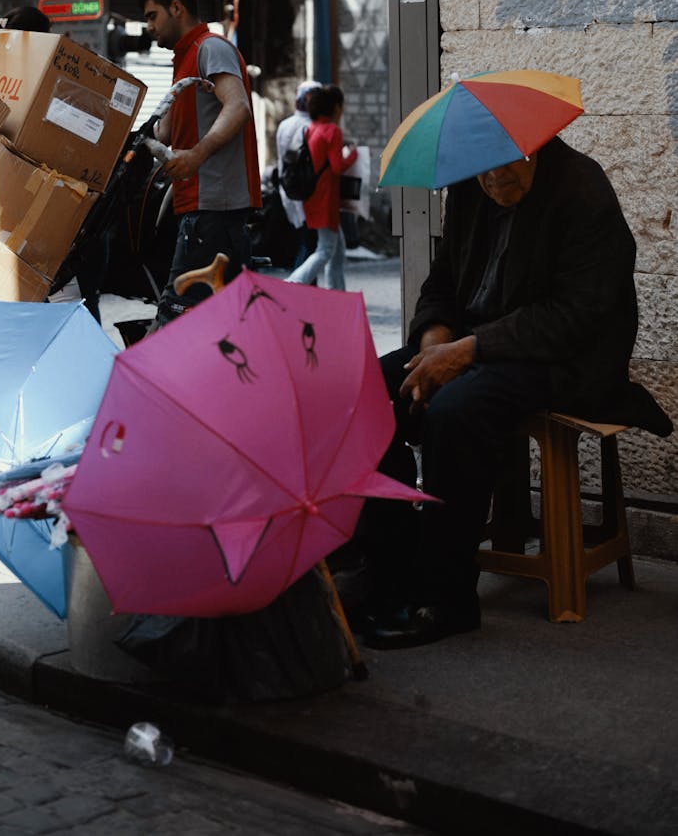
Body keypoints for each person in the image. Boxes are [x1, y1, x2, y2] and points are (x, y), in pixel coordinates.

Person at [362, 135, 672, 650]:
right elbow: (442, 280)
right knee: (370, 387)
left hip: (564, 359)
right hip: (478, 344)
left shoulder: (582, 190)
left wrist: (466, 352)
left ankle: (447, 598)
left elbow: (574, 317)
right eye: (482, 172)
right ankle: (392, 566)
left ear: (535, 145)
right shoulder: (469, 186)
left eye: (507, 168)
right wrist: (435, 338)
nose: (494, 182)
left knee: (457, 412)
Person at [140, 0, 261, 325]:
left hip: (214, 208)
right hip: (201, 205)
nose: (149, 26)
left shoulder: (210, 47)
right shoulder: (183, 59)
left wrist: (197, 154)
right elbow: (164, 132)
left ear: (176, 8)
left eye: (152, 16)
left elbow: (237, 106)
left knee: (175, 312)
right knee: (226, 320)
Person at [285, 84, 358, 291]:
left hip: (313, 196)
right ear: (336, 107)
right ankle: (294, 283)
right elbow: (337, 166)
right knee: (325, 250)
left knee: (337, 249)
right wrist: (353, 155)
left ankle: (337, 294)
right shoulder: (332, 131)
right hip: (326, 198)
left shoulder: (311, 128)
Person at [275, 79, 320, 269]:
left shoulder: (285, 124)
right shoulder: (311, 127)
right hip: (307, 192)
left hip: (288, 189)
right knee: (309, 245)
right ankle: (299, 288)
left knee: (304, 241)